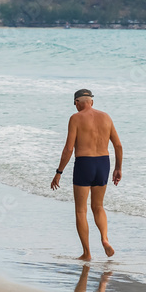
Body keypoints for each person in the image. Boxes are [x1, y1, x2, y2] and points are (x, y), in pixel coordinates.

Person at [50, 89, 123, 260]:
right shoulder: (106, 117)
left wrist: (59, 172)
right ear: (92, 102)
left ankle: (87, 253)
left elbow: (68, 149)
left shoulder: (75, 118)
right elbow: (118, 146)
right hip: (103, 164)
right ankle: (105, 239)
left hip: (84, 164)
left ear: (77, 102)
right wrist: (118, 168)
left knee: (81, 211)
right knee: (98, 207)